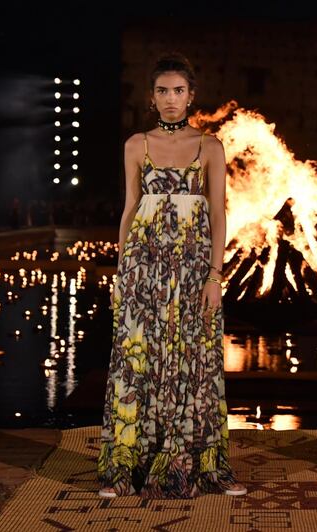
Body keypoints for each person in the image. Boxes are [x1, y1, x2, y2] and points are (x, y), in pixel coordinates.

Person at [98, 53, 246, 499]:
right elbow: (129, 211)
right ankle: (125, 468)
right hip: (144, 267)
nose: (170, 99)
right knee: (137, 359)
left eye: (178, 91)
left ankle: (202, 467)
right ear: (152, 97)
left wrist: (216, 275)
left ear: (191, 96)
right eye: (162, 91)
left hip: (195, 268)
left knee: (193, 360)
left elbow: (219, 215)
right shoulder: (135, 145)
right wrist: (122, 273)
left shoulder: (210, 146)